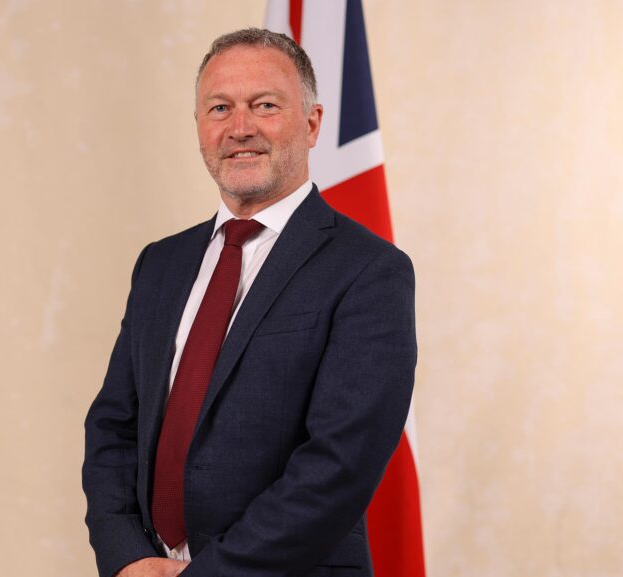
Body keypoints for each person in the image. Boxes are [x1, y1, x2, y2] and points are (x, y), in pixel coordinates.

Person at [82, 28, 417, 577]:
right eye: (219, 107)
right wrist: (129, 557)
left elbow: (338, 466)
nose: (240, 128)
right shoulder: (159, 264)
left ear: (311, 124)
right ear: (199, 127)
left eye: (265, 105)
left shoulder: (369, 271)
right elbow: (113, 428)